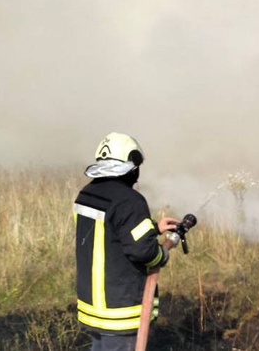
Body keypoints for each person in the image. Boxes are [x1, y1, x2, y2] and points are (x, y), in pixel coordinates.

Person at [73, 132, 179, 351]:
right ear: (131, 166)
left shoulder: (87, 194)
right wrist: (164, 253)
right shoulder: (130, 200)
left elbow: (113, 231)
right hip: (119, 311)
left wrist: (153, 227)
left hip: (93, 308)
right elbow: (144, 252)